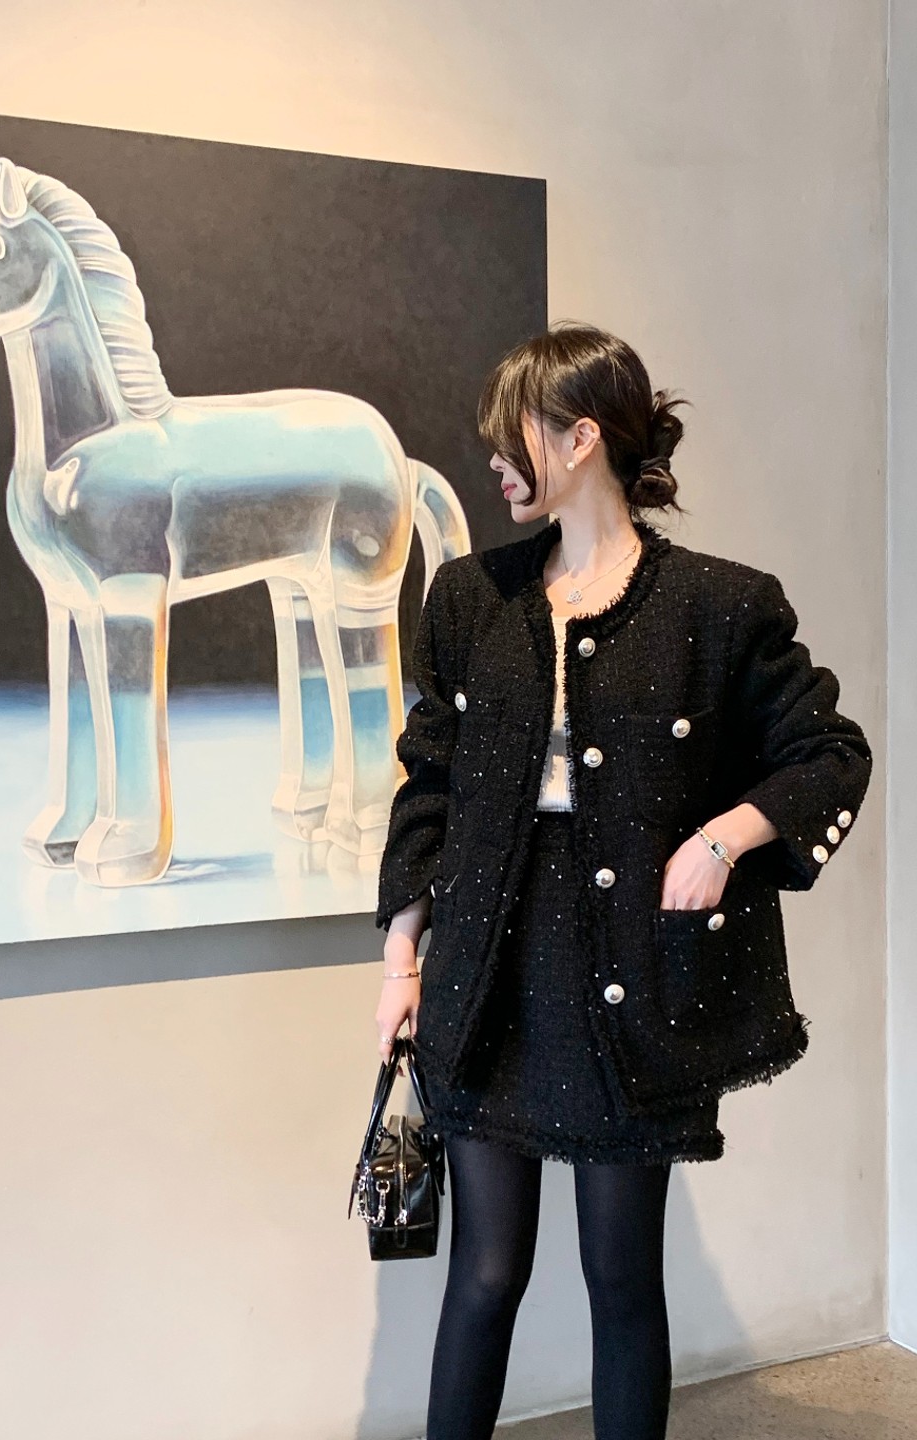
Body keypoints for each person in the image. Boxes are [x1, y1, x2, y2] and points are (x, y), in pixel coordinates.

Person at [371, 320, 873, 1440]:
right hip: (486, 974)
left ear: (581, 436)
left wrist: (724, 839)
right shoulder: (469, 598)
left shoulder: (720, 607)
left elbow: (829, 754)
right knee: (483, 1274)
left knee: (621, 1277)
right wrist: (402, 958)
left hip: (630, 979)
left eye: (512, 439)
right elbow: (428, 783)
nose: (494, 462)